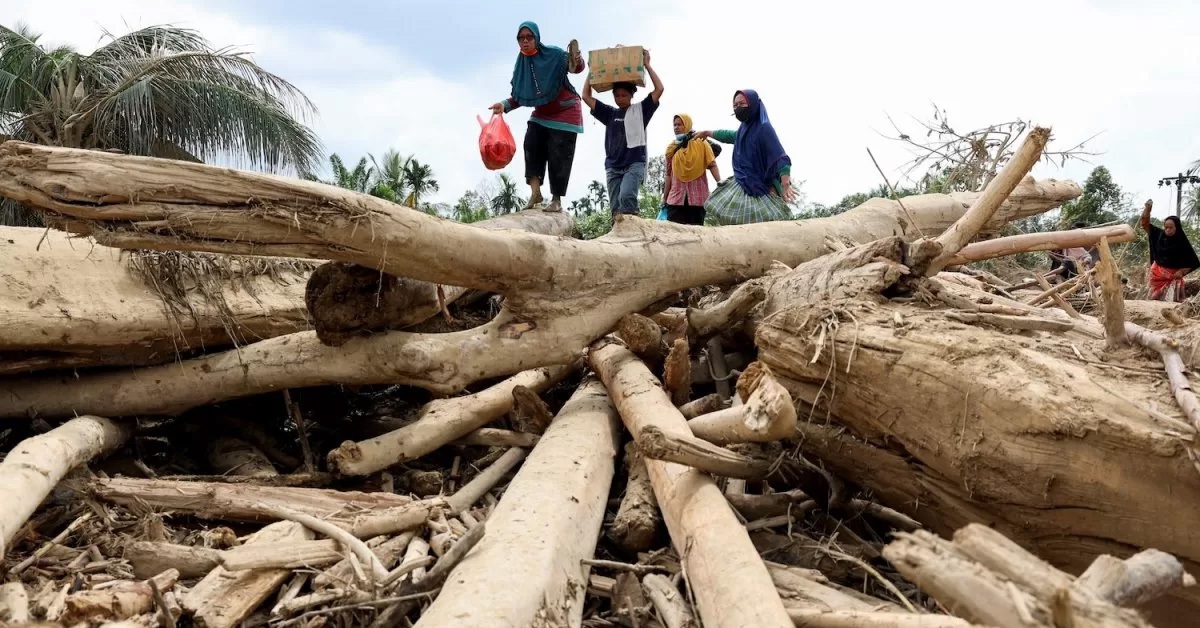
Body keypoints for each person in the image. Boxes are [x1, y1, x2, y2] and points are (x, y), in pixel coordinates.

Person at [490, 21, 586, 213]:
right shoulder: (522, 66)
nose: (525, 41)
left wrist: (577, 59)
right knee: (531, 143)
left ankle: (556, 200)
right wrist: (504, 105)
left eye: (529, 37)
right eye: (521, 38)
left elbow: (576, 68)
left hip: (566, 111)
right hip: (542, 113)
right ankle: (536, 193)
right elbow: (521, 95)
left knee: (558, 154)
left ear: (536, 38)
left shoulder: (554, 54)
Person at [580, 49, 664, 221]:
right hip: (613, 166)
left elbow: (659, 88)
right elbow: (586, 96)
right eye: (617, 95)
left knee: (626, 198)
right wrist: (591, 72)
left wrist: (647, 65)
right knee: (616, 210)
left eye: (624, 95)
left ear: (631, 95)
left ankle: (634, 228)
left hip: (634, 164)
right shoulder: (610, 113)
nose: (620, 98)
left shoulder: (641, 110)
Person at [694, 89, 795, 225]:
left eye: (742, 103)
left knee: (765, 226)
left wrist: (786, 184)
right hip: (743, 183)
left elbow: (781, 158)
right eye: (735, 106)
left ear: (753, 104)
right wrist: (708, 133)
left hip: (762, 189)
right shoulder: (744, 129)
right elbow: (730, 136)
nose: (738, 108)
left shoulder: (764, 128)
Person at [662, 113, 722, 225]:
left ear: (687, 125)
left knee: (695, 235)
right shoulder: (671, 149)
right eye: (674, 125)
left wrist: (720, 183)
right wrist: (665, 198)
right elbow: (668, 174)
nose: (676, 127)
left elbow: (712, 164)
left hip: (697, 199)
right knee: (674, 235)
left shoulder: (701, 143)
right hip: (675, 200)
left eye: (680, 124)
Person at [1139, 199, 1200, 302]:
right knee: (1151, 300)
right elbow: (1144, 224)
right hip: (1156, 276)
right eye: (1166, 227)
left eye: (1171, 227)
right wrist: (1147, 209)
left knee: (1170, 303)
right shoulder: (1158, 235)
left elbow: (1194, 262)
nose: (1167, 230)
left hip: (1173, 280)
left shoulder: (1182, 242)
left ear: (1177, 227)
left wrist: (1181, 271)